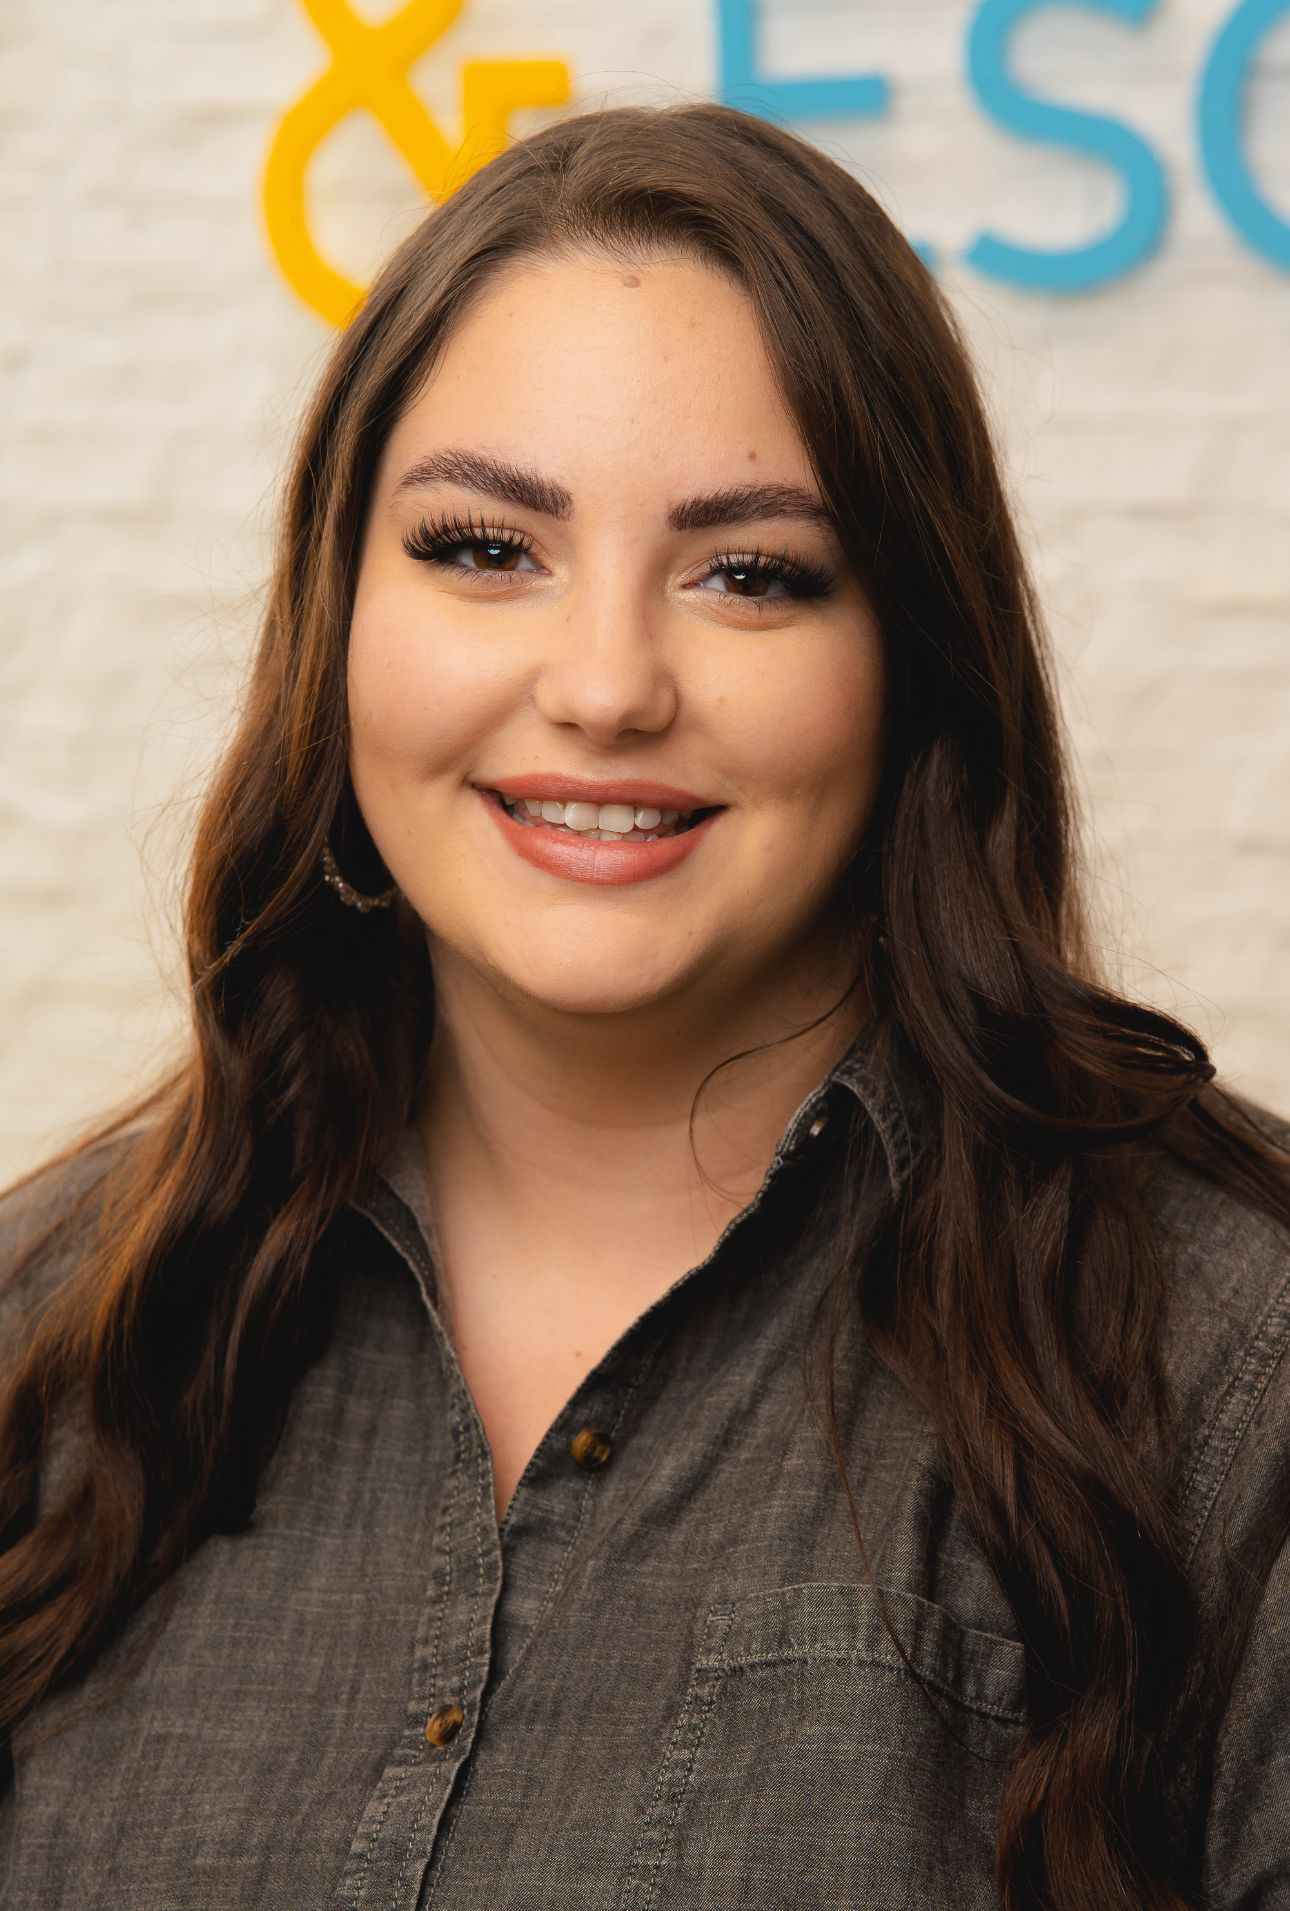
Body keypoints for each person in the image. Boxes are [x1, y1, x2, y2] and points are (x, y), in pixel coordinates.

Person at [0, 99, 1286, 1911]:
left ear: (912, 657)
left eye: (751, 574)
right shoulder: (46, 1339)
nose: (604, 686)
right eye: (481, 547)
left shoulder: (1239, 1372)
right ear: (336, 615)